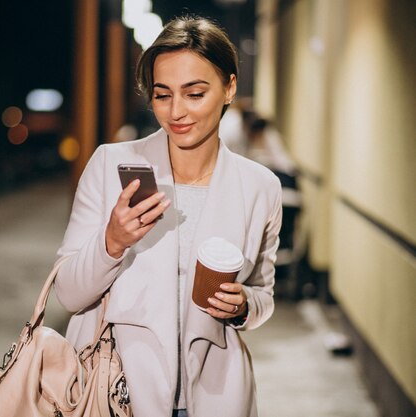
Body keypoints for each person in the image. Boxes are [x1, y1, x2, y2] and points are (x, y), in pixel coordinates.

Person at [54, 15, 282, 417]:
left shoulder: (260, 187)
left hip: (215, 396)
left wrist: (244, 304)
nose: (176, 111)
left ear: (229, 87)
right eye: (163, 95)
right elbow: (69, 294)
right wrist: (112, 241)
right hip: (116, 391)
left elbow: (263, 295)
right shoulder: (112, 165)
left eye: (195, 93)